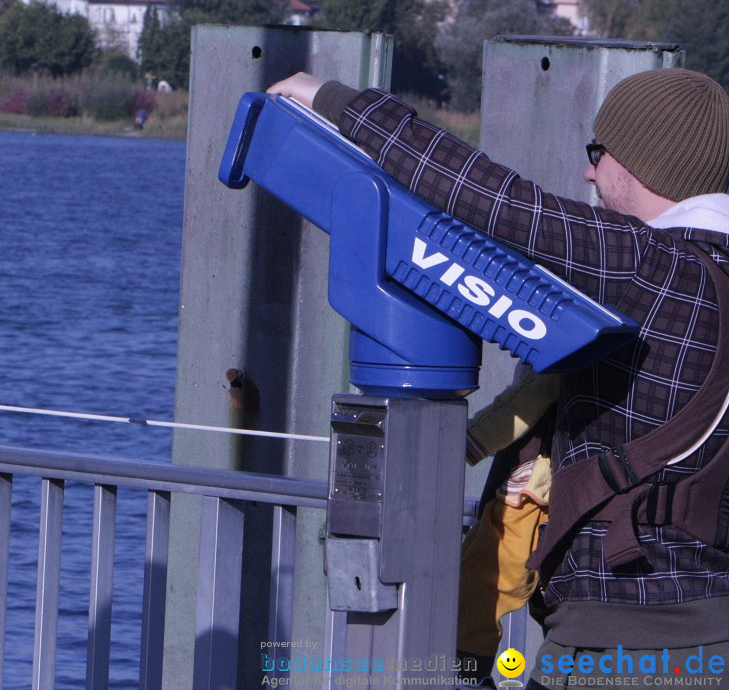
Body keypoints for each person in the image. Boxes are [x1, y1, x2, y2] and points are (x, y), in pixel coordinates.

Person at [268, 69, 729, 685]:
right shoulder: (709, 277)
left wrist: (327, 99)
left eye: (599, 153)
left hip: (628, 655)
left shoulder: (657, 269)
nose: (590, 173)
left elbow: (498, 202)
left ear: (648, 161)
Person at [458, 366, 558, 684]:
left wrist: (466, 440)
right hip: (553, 482)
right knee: (552, 594)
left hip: (531, 488)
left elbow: (529, 398)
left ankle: (465, 674)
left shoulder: (560, 357)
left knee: (487, 581)